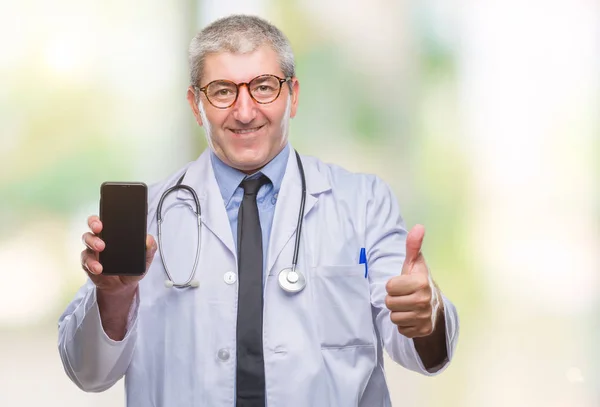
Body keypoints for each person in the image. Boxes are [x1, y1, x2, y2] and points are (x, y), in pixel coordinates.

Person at [58, 14, 459, 407]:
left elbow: (421, 350)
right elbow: (89, 372)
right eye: (221, 91)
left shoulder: (363, 202)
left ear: (293, 96)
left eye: (264, 87)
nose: (245, 112)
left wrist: (425, 314)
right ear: (196, 105)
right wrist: (114, 297)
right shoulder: (147, 218)